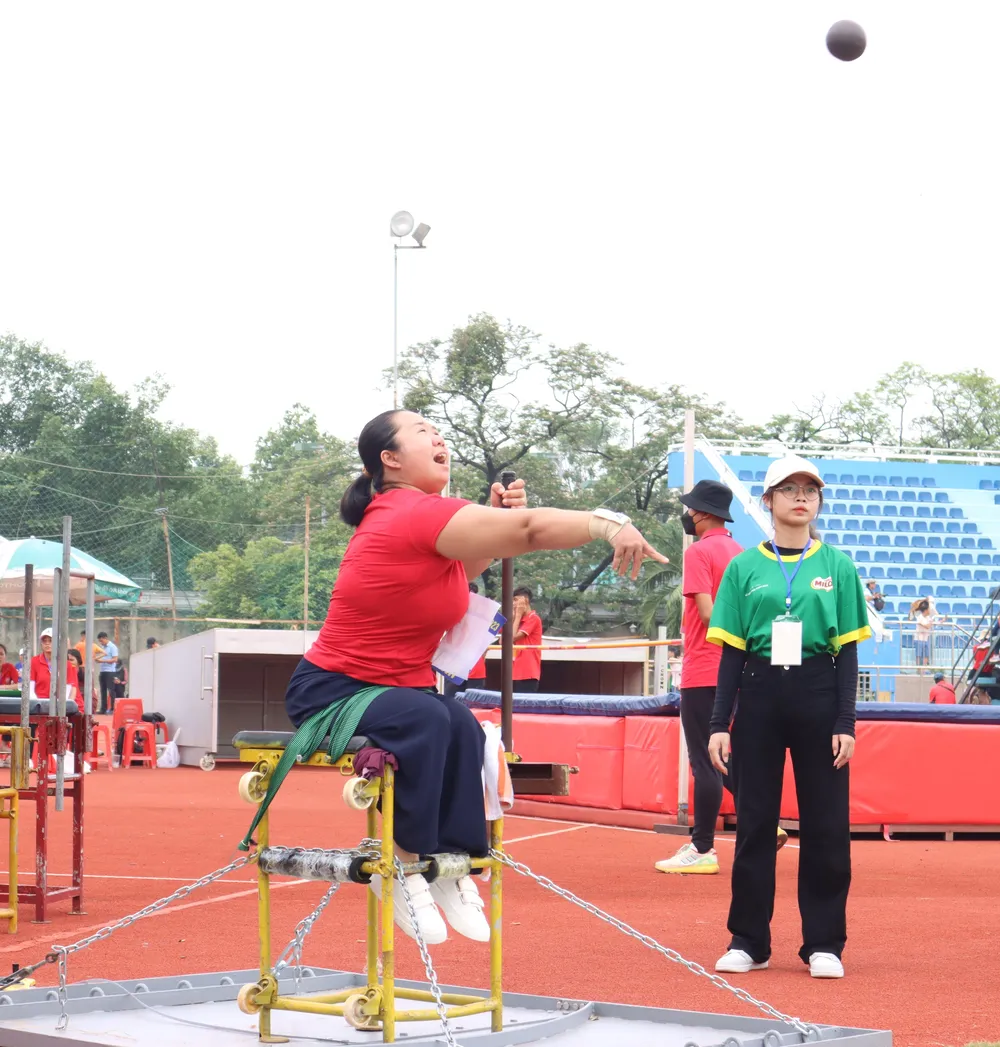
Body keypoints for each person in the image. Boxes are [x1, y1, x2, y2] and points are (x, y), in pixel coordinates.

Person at [284, 409, 665, 947]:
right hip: (333, 689)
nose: (437, 437)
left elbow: (486, 548)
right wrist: (607, 522)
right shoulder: (404, 511)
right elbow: (528, 530)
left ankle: (455, 867)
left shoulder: (427, 519)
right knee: (428, 720)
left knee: (462, 724)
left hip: (398, 687)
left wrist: (490, 519)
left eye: (438, 432)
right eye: (421, 432)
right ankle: (402, 869)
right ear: (389, 460)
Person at [706, 454, 871, 980]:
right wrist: (717, 723)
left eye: (810, 489)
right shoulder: (743, 566)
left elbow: (848, 653)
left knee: (827, 824)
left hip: (819, 692)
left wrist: (845, 721)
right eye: (789, 488)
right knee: (756, 824)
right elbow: (730, 653)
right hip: (758, 692)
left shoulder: (838, 566)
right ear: (769, 500)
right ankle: (748, 941)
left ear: (818, 501)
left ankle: (824, 943)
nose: (802, 496)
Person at [655, 479, 749, 875]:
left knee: (704, 761)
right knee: (732, 758)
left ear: (704, 513)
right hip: (739, 671)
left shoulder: (699, 552)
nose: (688, 515)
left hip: (703, 670)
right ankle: (762, 820)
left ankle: (703, 848)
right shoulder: (742, 553)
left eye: (692, 509)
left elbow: (709, 615)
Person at [441, 583, 488, 699]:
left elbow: (486, 642)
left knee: (474, 708)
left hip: (475, 670)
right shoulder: (452, 612)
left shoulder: (484, 617)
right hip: (454, 668)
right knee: (451, 703)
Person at [29, 628, 80, 703]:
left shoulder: (66, 664)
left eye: (50, 641)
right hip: (39, 703)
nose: (47, 643)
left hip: (59, 704)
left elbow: (69, 686)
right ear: (41, 644)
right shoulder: (34, 661)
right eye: (44, 641)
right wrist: (37, 703)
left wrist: (61, 705)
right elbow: (30, 686)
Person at [511, 587, 543, 693]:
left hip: (528, 672)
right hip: (515, 672)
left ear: (526, 600)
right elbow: (503, 641)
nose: (513, 604)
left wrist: (518, 615)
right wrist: (514, 618)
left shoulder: (533, 618)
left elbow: (512, 638)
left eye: (516, 600)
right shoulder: (517, 620)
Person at [96, 631, 119, 714]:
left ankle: (113, 709)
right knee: (103, 690)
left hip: (110, 671)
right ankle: (103, 709)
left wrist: (102, 660)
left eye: (101, 640)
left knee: (111, 690)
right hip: (103, 671)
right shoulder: (102, 647)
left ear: (105, 638)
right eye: (100, 641)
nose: (101, 642)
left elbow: (115, 659)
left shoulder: (112, 647)